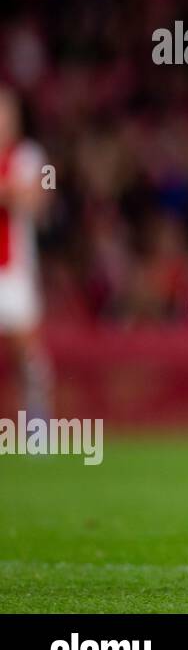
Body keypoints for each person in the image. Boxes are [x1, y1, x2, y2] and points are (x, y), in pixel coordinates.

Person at [0, 89, 53, 420]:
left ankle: (38, 426)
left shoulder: (29, 156)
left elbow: (36, 200)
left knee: (28, 353)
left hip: (14, 271)